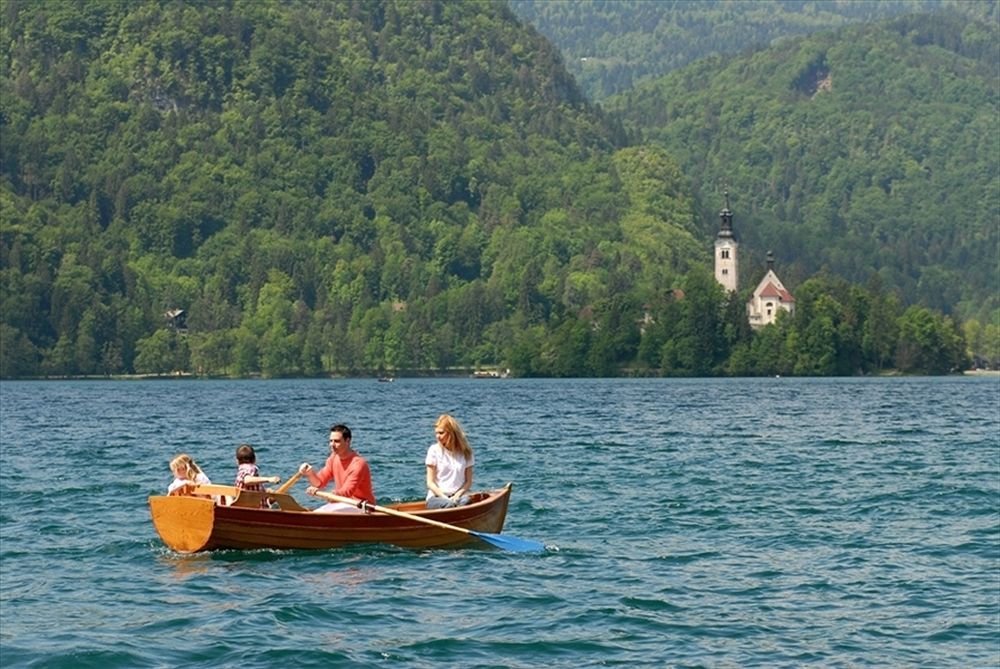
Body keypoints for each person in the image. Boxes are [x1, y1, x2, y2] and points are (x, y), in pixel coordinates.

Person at [301, 424, 375, 513]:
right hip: (342, 503)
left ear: (347, 441)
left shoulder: (358, 464)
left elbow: (346, 492)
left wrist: (328, 495)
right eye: (330, 441)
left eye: (336, 441)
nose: (332, 444)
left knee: (320, 514)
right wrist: (310, 474)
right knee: (317, 513)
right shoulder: (333, 458)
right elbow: (319, 483)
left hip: (362, 506)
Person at [424, 414, 474, 509]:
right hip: (437, 497)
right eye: (436, 433)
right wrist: (445, 497)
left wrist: (458, 495)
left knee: (466, 501)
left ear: (451, 433)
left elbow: (468, 482)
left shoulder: (466, 453)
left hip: (458, 497)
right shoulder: (433, 450)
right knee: (449, 505)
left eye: (441, 433)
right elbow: (430, 483)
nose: (438, 436)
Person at [234, 443, 280, 508]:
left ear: (237, 461)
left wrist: (265, 491)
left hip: (245, 505)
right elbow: (246, 479)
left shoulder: (241, 470)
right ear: (255, 459)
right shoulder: (250, 468)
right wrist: (268, 479)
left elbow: (248, 485)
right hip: (255, 508)